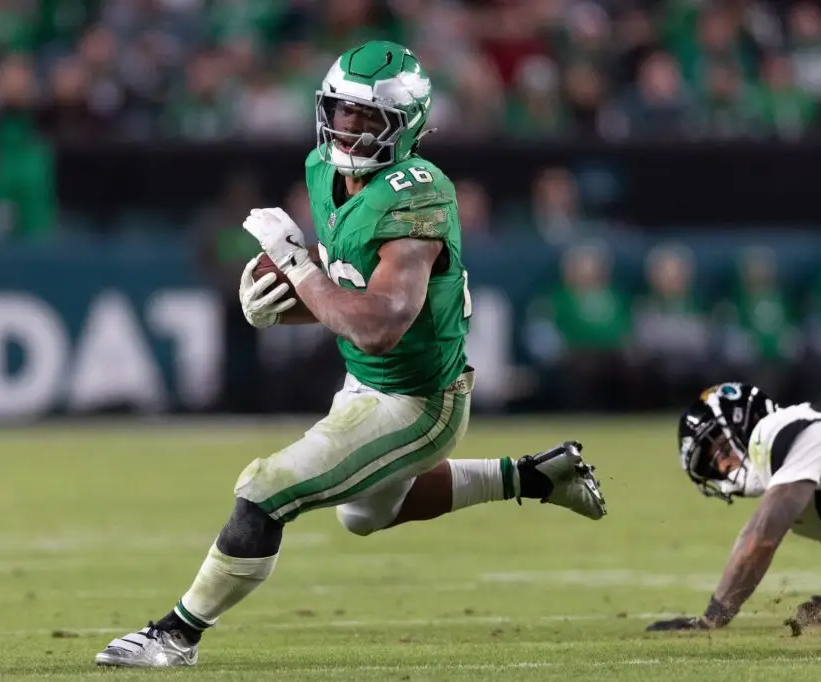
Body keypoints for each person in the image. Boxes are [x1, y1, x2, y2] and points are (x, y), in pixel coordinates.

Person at [95, 41, 607, 669]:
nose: (348, 128)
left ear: (408, 124)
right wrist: (279, 308)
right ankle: (533, 475)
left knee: (266, 489)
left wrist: (296, 265)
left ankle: (176, 634)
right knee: (363, 515)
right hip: (368, 381)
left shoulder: (418, 193)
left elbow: (380, 324)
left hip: (420, 400)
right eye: (341, 112)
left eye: (369, 118)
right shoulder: (323, 168)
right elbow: (345, 288)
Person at [647, 382, 821, 632]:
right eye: (712, 465)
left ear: (748, 420)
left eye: (721, 448)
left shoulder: (777, 429)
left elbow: (760, 540)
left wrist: (711, 619)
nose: (722, 467)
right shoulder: (807, 507)